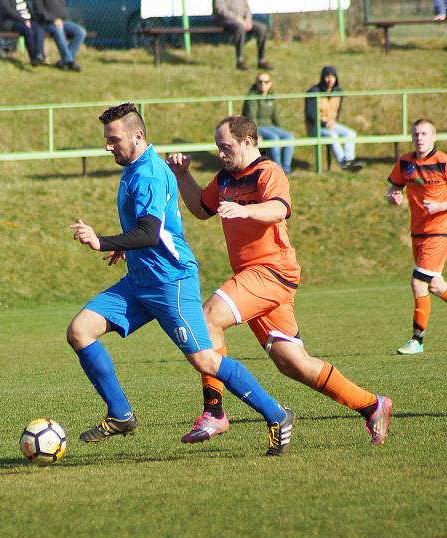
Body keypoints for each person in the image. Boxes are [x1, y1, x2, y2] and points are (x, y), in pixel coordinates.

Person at [67, 103, 295, 457]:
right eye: (107, 140)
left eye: (114, 140)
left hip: (170, 283)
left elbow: (149, 231)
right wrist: (126, 249)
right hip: (140, 280)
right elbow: (148, 231)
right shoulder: (133, 168)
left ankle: (277, 414)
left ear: (137, 136)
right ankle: (121, 415)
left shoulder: (151, 173)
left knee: (205, 360)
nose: (108, 146)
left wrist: (104, 241)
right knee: (80, 330)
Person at [166, 116, 393, 447]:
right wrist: (183, 175)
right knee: (293, 363)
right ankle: (372, 405)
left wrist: (246, 211)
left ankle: (214, 412)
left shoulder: (267, 172)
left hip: (272, 271)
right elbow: (202, 208)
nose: (219, 152)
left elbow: (278, 208)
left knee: (207, 319)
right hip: (254, 277)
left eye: (225, 145)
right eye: (217, 146)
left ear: (248, 142)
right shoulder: (225, 179)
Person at [386, 119, 447, 355]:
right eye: (416, 134)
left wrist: (440, 206)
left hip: (439, 231)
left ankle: (417, 340)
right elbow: (393, 190)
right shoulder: (405, 163)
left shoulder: (442, 162)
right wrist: (393, 197)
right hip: (417, 232)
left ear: (434, 137)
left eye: (424, 133)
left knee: (418, 282)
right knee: (435, 284)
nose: (419, 138)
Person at [305, 66, 365, 172]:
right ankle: (343, 164)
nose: (330, 80)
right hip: (315, 127)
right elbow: (309, 113)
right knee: (332, 135)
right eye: (327, 77)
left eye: (332, 77)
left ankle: (349, 160)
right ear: (322, 78)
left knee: (350, 133)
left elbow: (337, 111)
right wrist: (322, 123)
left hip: (331, 124)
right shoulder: (313, 92)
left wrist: (333, 120)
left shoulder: (338, 92)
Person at [242, 72, 294, 174]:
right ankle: (277, 168)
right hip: (257, 127)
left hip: (270, 126)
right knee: (274, 138)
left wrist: (281, 129)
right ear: (256, 83)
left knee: (289, 137)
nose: (263, 84)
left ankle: (287, 168)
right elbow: (251, 119)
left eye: (266, 82)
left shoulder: (271, 96)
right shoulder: (252, 97)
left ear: (270, 83)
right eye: (260, 82)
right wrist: (257, 134)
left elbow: (275, 116)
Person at [212, 0, 271, 71]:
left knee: (262, 28)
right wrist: (236, 18)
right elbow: (220, 10)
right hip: (224, 20)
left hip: (242, 21)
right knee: (240, 27)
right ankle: (240, 61)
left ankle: (261, 61)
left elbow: (247, 8)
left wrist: (248, 19)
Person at [31, 0, 86, 71]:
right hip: (45, 23)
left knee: (81, 32)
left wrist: (60, 19)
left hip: (61, 21)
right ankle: (69, 61)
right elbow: (39, 12)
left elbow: (63, 11)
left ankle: (65, 61)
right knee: (59, 30)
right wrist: (53, 19)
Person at [0, 0, 46, 66]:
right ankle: (34, 58)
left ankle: (39, 55)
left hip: (26, 21)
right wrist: (24, 21)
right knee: (28, 31)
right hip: (10, 23)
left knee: (39, 29)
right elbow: (8, 12)